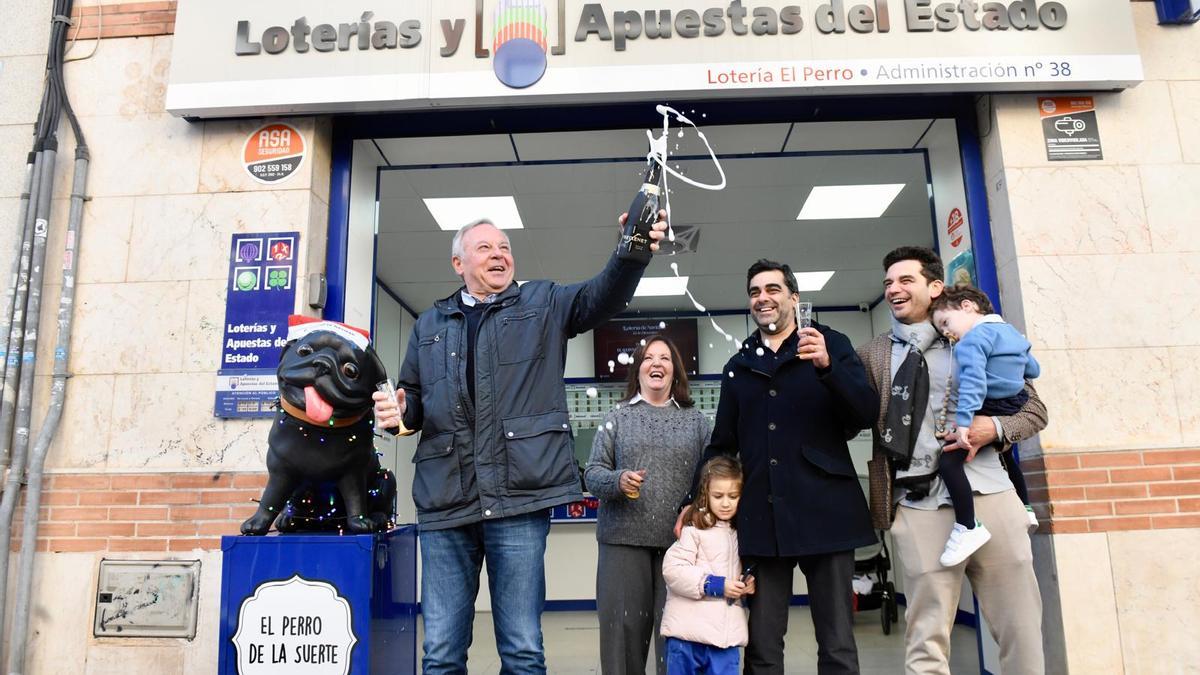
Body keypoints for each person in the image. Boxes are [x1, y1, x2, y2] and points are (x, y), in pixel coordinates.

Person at [373, 212, 667, 674]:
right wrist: (397, 414)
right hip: (446, 501)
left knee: (524, 651)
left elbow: (602, 294)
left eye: (505, 247)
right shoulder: (429, 325)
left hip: (519, 500)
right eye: (485, 247)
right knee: (440, 653)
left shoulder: (543, 303)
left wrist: (632, 249)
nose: (499, 254)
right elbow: (413, 403)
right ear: (458, 262)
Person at [679, 259, 879, 675]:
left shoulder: (830, 344)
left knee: (837, 640)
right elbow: (722, 444)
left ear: (793, 297)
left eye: (772, 289)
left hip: (827, 511)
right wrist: (691, 499)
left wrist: (828, 367)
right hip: (763, 518)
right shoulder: (739, 366)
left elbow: (863, 413)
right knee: (763, 645)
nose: (762, 298)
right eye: (754, 292)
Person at [857, 246, 1048, 675]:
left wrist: (993, 431)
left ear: (935, 286)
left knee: (1021, 629)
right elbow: (851, 413)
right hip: (919, 505)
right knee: (926, 639)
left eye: (906, 280)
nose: (894, 289)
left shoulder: (975, 335)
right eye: (888, 282)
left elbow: (1034, 411)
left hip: (992, 495)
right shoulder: (873, 354)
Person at [585, 336, 711, 675]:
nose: (657, 363)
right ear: (638, 369)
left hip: (681, 545)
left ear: (675, 371)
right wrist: (618, 480)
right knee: (622, 639)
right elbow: (592, 473)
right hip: (622, 543)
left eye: (665, 358)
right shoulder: (618, 417)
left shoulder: (697, 421)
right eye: (648, 358)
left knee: (678, 638)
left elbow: (712, 478)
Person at [929, 283, 1042, 566]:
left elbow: (974, 385)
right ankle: (1026, 507)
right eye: (941, 330)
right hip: (1015, 402)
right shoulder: (1012, 333)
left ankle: (967, 526)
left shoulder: (972, 341)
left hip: (989, 404)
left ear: (967, 306)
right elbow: (1033, 369)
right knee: (1004, 454)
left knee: (949, 463)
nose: (947, 333)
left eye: (946, 322)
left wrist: (965, 424)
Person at [660, 456, 754, 675]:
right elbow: (673, 570)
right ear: (705, 495)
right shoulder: (694, 530)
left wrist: (748, 585)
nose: (726, 503)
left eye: (733, 496)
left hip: (724, 640)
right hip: (686, 638)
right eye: (718, 496)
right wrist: (715, 584)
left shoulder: (744, 534)